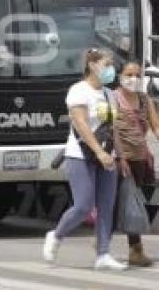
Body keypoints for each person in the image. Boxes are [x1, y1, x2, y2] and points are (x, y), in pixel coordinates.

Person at [43, 48, 126, 271]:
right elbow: (81, 125)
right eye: (107, 64)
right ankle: (56, 235)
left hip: (108, 157)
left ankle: (103, 253)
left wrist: (119, 155)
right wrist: (98, 151)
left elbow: (113, 128)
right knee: (83, 205)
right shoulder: (78, 91)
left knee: (106, 206)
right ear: (92, 65)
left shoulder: (110, 94)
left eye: (111, 65)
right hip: (81, 155)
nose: (111, 69)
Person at [113, 61, 159, 267]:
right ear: (120, 76)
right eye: (129, 74)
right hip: (116, 159)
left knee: (134, 203)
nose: (133, 78)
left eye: (137, 75)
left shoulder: (144, 99)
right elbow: (108, 127)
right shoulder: (112, 98)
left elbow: (155, 124)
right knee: (113, 203)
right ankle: (103, 244)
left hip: (139, 159)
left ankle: (135, 251)